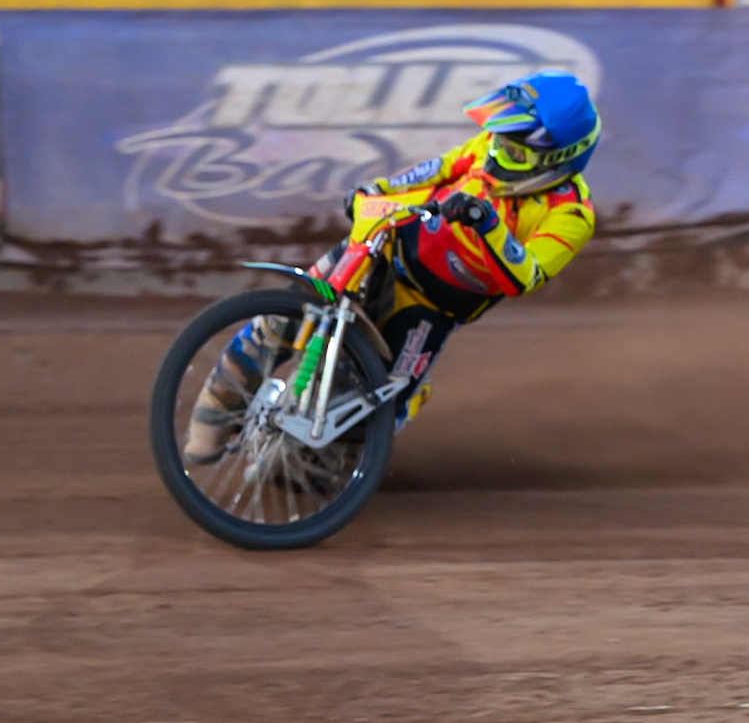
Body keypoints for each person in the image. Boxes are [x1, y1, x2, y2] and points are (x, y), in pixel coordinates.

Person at [182, 72, 600, 467]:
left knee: (363, 420)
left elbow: (523, 277)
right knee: (282, 319)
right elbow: (438, 168)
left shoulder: (571, 216)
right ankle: (214, 414)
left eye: (511, 151)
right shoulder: (491, 144)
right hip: (386, 243)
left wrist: (485, 222)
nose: (494, 153)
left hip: (431, 307)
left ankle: (369, 430)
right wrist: (379, 189)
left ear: (555, 161)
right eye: (497, 141)